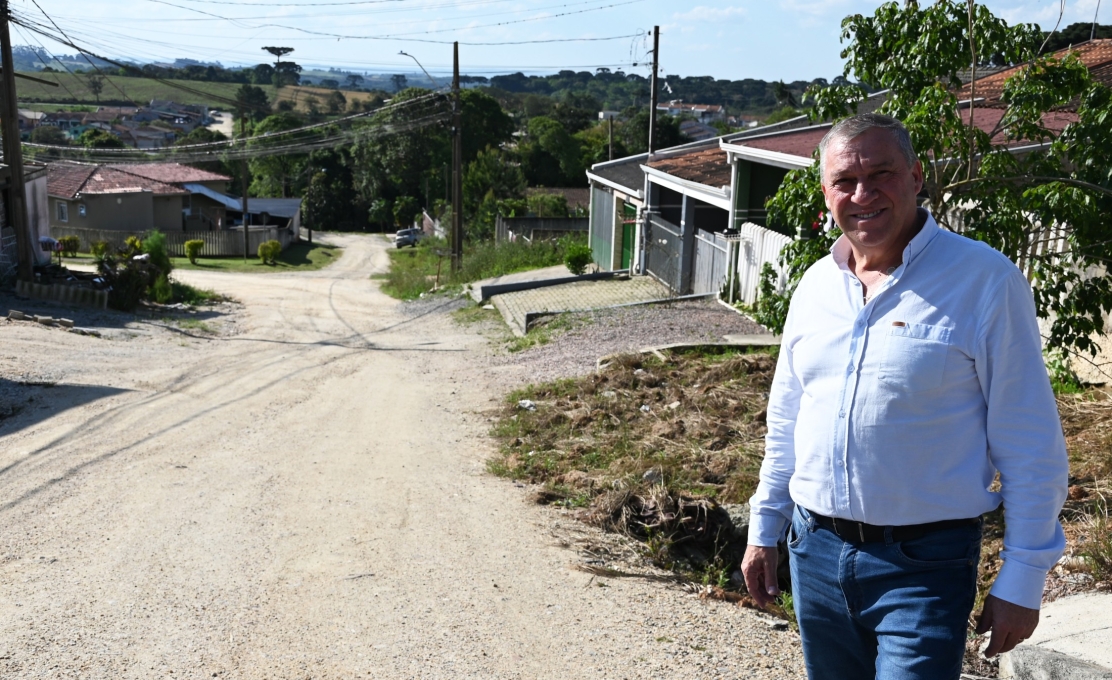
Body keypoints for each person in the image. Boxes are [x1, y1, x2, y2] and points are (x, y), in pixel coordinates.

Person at [740, 113, 1068, 680]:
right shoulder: (815, 286)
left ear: (916, 177)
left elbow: (1029, 441)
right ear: (826, 191)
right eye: (845, 181)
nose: (862, 194)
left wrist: (1024, 575)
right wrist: (763, 529)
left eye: (882, 174)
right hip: (814, 551)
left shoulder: (985, 281)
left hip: (923, 567)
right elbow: (787, 423)